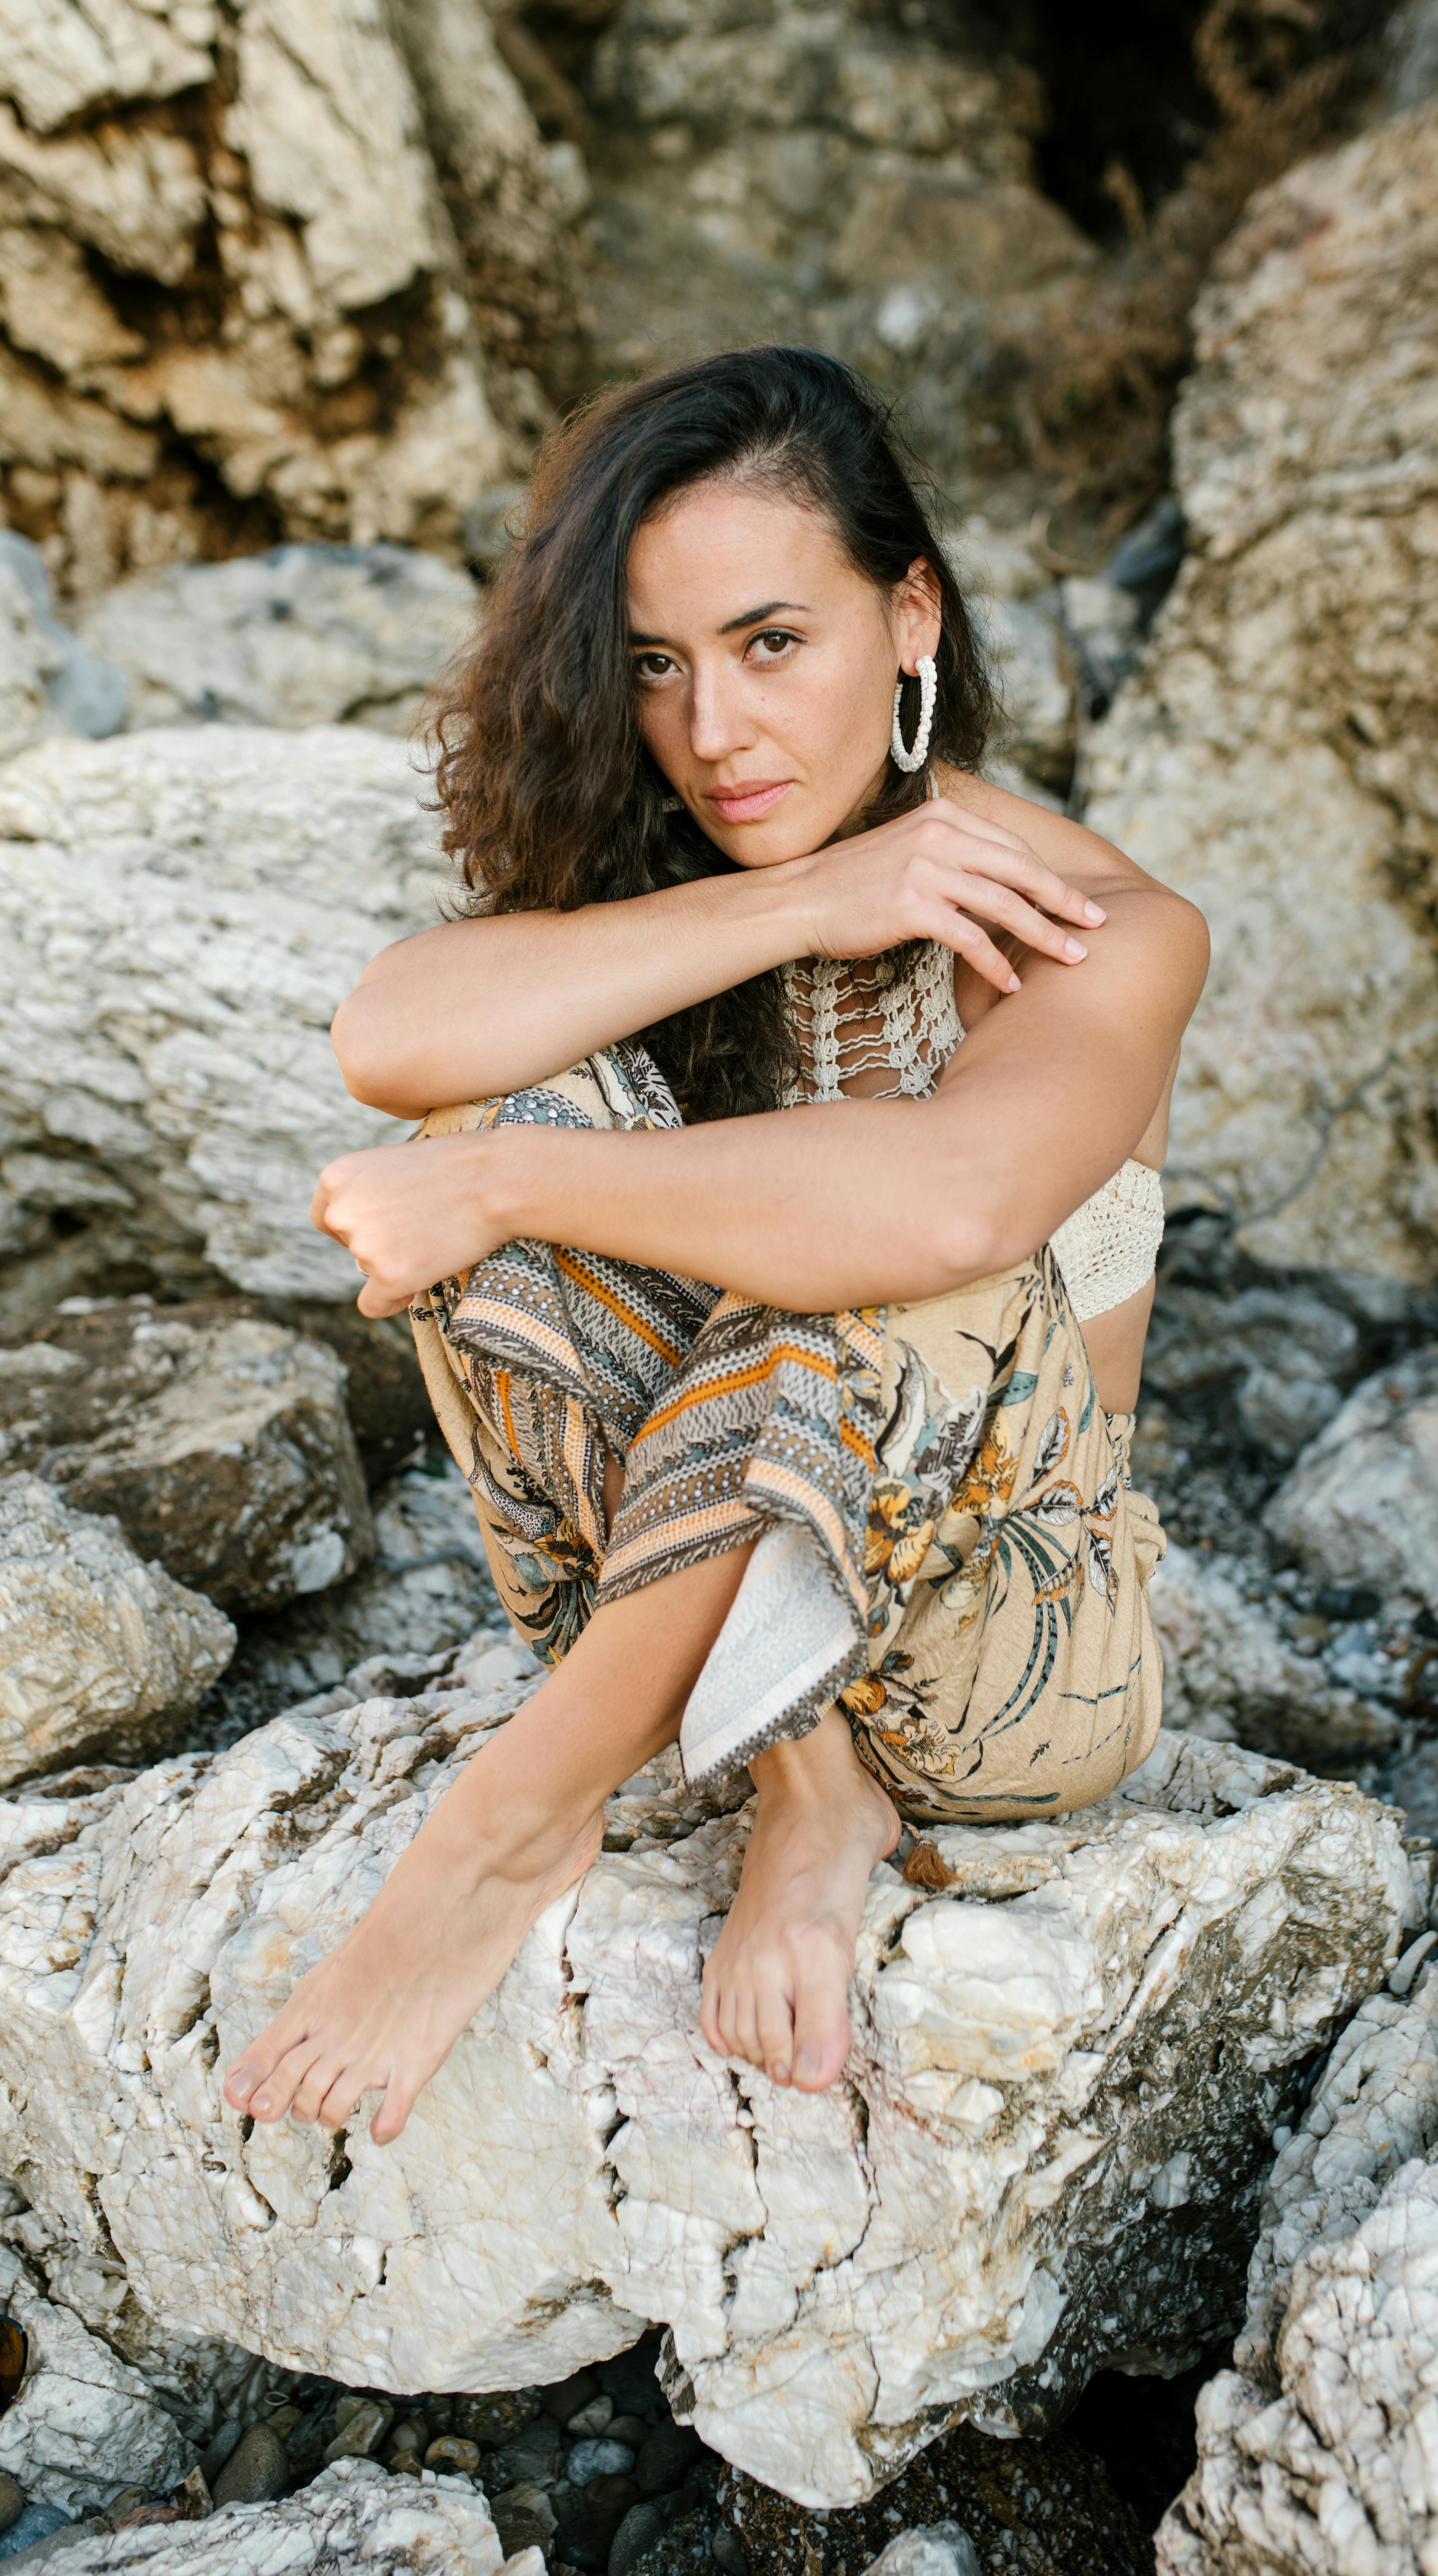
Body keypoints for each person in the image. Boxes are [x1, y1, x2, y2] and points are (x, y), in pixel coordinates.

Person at [222, 346, 1208, 2148]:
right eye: (656, 665)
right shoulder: (700, 867)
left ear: (910, 617)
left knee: (908, 1242)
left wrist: (518, 1186)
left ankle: (511, 1824)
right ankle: (800, 1787)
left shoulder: (1104, 925)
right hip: (674, 1614)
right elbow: (395, 1035)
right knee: (489, 1104)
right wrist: (808, 899)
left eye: (772, 644)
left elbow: (958, 1207)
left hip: (994, 1656)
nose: (716, 732)